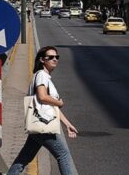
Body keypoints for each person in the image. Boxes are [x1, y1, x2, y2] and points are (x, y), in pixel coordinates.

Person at [7, 46, 78, 175]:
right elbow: (42, 97)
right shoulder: (41, 75)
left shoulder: (42, 76)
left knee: (24, 158)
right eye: (50, 57)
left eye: (56, 57)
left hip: (38, 123)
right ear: (42, 60)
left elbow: (51, 107)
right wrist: (59, 102)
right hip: (43, 123)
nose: (54, 59)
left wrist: (67, 124)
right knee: (63, 155)